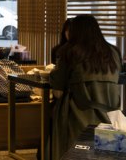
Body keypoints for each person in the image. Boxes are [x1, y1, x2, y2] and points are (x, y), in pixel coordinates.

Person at [48, 14, 121, 160]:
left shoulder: (69, 52)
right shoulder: (113, 52)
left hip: (78, 116)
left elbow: (58, 92)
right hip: (111, 115)